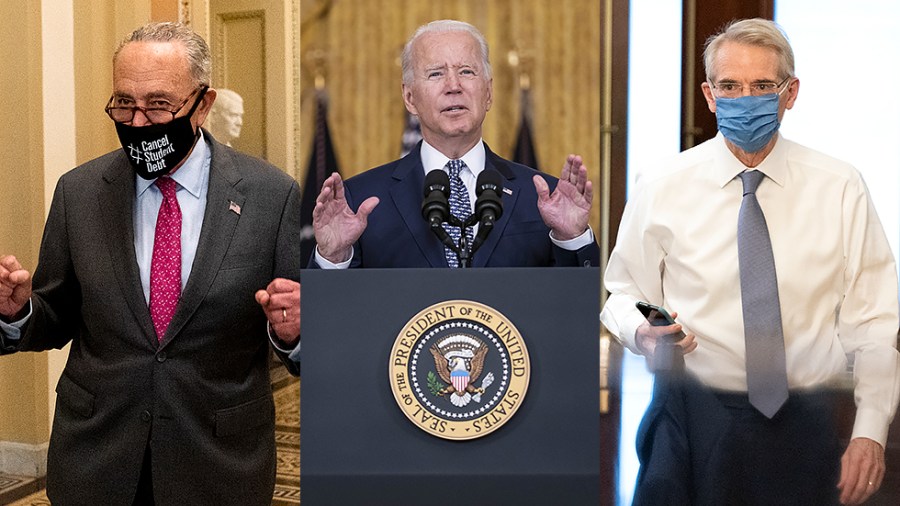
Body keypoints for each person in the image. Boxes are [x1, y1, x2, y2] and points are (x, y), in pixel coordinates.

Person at [601, 18, 899, 506]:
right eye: (730, 86)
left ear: (791, 92)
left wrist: (870, 430)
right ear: (710, 95)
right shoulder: (662, 186)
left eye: (762, 85)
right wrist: (649, 328)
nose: (746, 98)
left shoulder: (840, 187)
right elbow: (626, 294)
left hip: (806, 421)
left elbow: (874, 322)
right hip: (689, 419)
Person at [0, 22, 300, 505]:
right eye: (123, 103)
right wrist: (18, 312)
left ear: (202, 104)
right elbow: (56, 315)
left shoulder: (272, 196)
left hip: (218, 463)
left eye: (159, 104)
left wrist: (296, 333)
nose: (138, 123)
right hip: (97, 459)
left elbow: (296, 338)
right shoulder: (78, 192)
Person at [311, 19, 599, 269]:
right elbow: (338, 315)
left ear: (488, 93)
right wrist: (333, 257)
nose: (453, 85)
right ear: (410, 98)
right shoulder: (362, 200)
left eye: (467, 72)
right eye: (436, 73)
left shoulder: (541, 199)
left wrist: (571, 238)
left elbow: (572, 310)